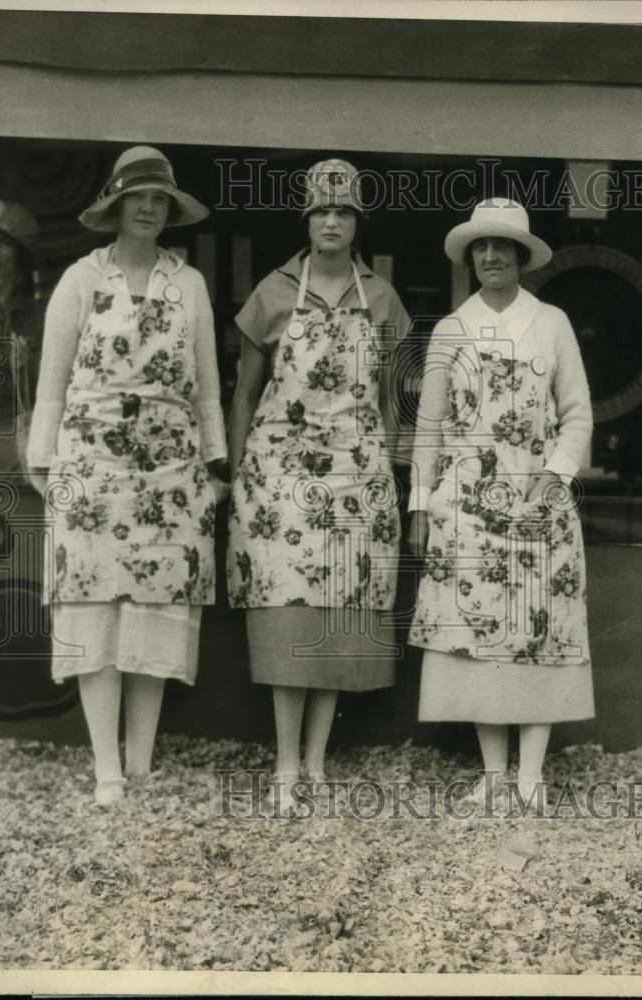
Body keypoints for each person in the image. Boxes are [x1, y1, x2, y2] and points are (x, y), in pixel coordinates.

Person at [27, 146, 227, 806]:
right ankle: (105, 768)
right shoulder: (82, 280)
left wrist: (215, 461)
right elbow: (51, 378)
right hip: (91, 465)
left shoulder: (187, 283)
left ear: (170, 211)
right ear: (114, 207)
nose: (147, 208)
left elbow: (206, 387)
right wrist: (44, 457)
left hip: (170, 469)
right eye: (136, 197)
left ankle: (140, 761)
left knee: (155, 607)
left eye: (159, 199)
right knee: (92, 604)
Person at [227, 159, 410, 811]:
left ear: (357, 223)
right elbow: (245, 391)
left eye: (343, 211)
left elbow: (389, 398)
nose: (331, 221)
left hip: (354, 480)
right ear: (306, 220)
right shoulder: (274, 292)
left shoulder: (380, 296)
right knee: (287, 613)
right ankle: (283, 765)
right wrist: (241, 467)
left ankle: (316, 761)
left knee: (336, 614)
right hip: (279, 480)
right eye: (320, 211)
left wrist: (383, 463)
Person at [408, 198, 594, 808]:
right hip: (466, 510)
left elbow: (577, 416)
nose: (491, 256)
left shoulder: (553, 323)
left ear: (521, 257)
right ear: (469, 257)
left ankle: (531, 776)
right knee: (479, 640)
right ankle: (493, 776)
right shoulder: (450, 330)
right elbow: (429, 427)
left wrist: (555, 477)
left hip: (539, 506)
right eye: (481, 247)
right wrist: (420, 502)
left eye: (503, 247)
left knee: (537, 635)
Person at [0, 200, 44, 478]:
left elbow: (46, 392)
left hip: (20, 428)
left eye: (4, 243)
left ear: (21, 259)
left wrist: (26, 367)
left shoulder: (38, 316)